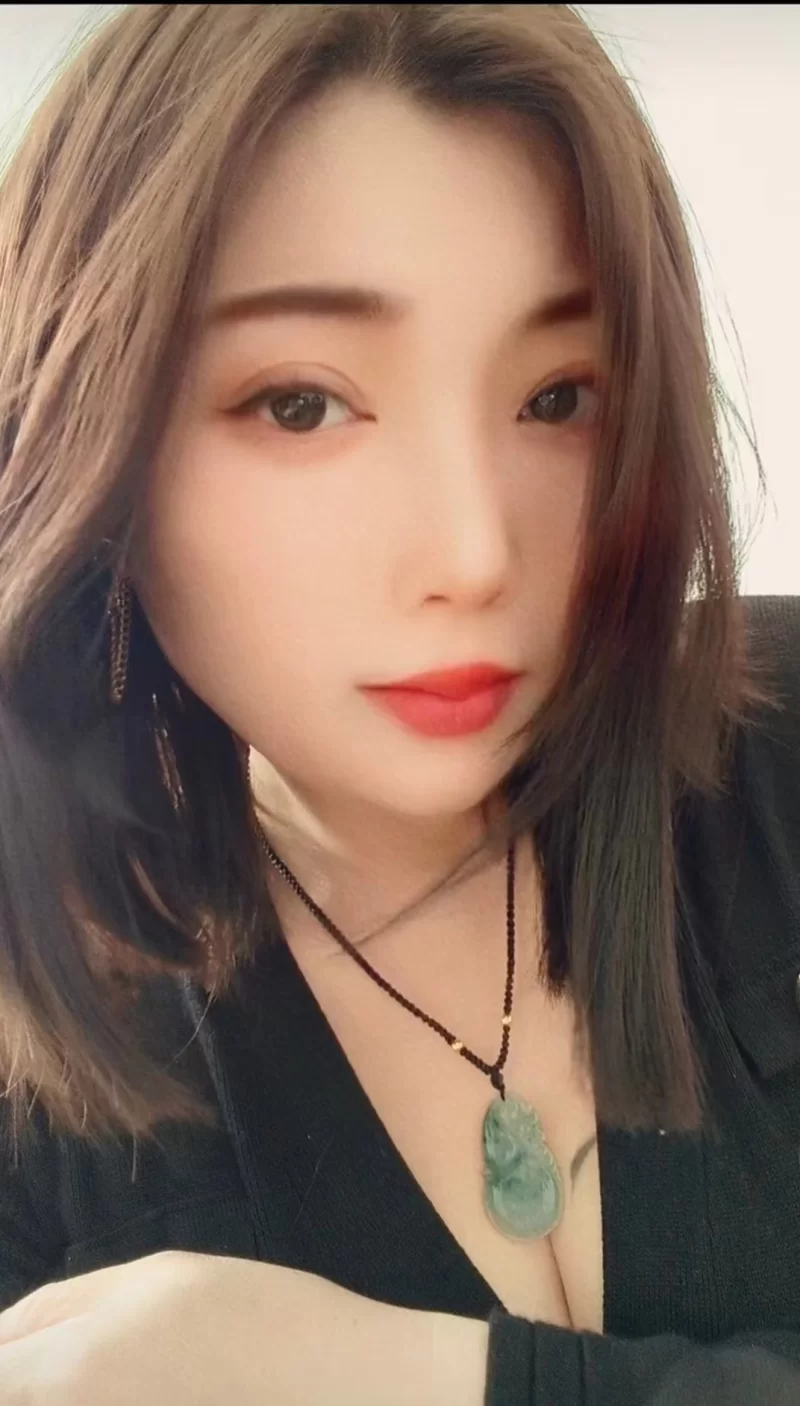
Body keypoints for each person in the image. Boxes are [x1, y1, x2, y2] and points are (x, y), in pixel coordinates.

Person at [0, 3, 798, 1402]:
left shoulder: (774, 765)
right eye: (301, 405)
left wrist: (406, 1374)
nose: (477, 553)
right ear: (93, 440)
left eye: (559, 397)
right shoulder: (42, 1098)